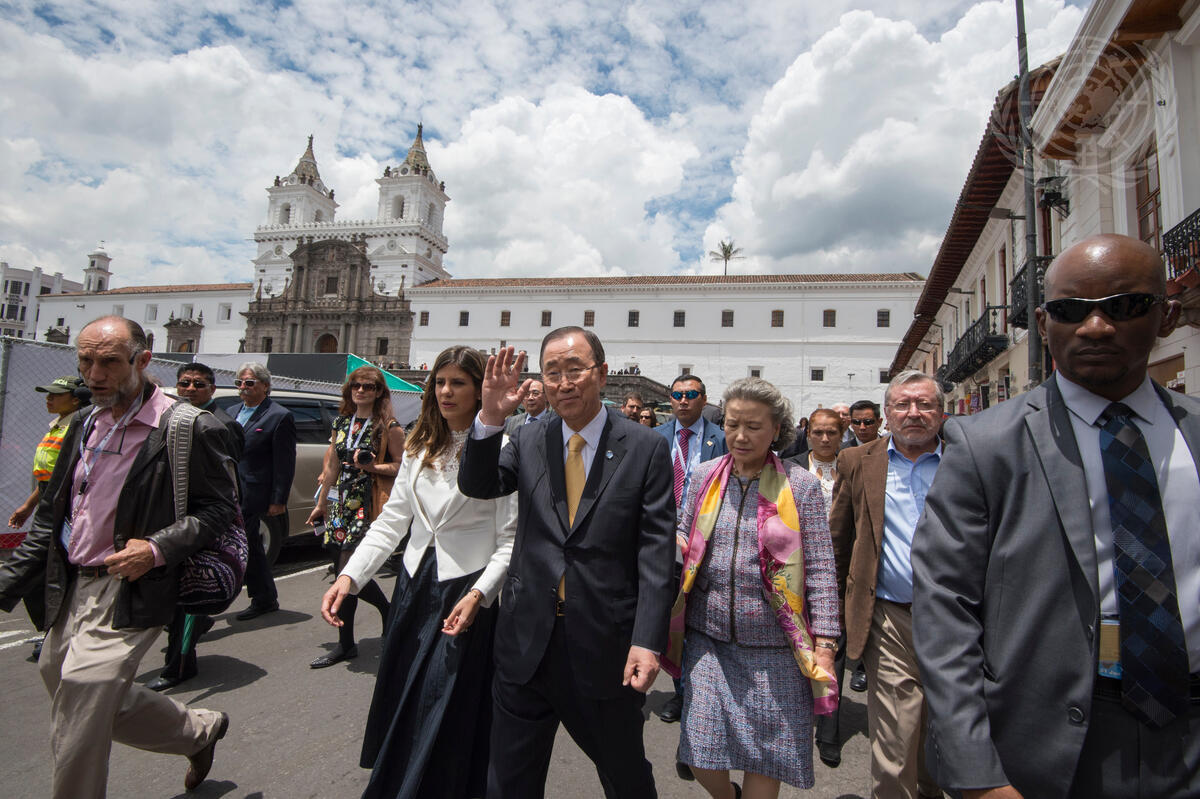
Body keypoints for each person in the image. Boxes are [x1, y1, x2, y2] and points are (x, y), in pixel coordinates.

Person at [913, 234, 1200, 799]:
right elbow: (945, 609)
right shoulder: (985, 445)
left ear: (1165, 316)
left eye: (1124, 306)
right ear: (1044, 324)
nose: (1096, 328)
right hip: (1051, 744)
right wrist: (977, 773)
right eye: (1071, 311)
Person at [0, 316, 234, 798]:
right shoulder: (84, 422)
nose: (94, 374)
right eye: (85, 361)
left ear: (142, 360)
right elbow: (52, 513)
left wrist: (157, 547)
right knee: (67, 683)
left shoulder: (188, 426)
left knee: (84, 693)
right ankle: (197, 731)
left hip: (133, 585)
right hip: (72, 582)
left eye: (108, 362)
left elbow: (220, 508)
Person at [458, 330, 675, 799]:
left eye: (574, 369)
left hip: (605, 645)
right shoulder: (527, 437)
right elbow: (480, 485)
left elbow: (656, 551)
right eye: (552, 372)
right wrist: (490, 417)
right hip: (525, 642)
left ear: (602, 373)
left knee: (625, 776)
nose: (563, 382)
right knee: (508, 782)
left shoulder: (645, 447)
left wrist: (647, 639)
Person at [321, 346, 515, 798]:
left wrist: (481, 593)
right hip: (413, 583)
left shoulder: (505, 450)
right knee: (406, 692)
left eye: (458, 382)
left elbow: (510, 539)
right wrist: (351, 577)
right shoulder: (418, 443)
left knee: (445, 701)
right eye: (440, 382)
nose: (446, 391)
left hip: (466, 590)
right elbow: (393, 521)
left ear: (480, 389)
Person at [665, 378, 839, 799]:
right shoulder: (705, 476)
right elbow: (684, 534)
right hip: (708, 642)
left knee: (766, 757)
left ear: (776, 429)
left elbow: (820, 567)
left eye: (754, 426)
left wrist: (826, 644)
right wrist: (671, 543)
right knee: (700, 753)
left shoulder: (801, 486)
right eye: (732, 424)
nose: (740, 436)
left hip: (776, 649)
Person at [829, 370, 944, 799]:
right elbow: (839, 538)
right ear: (887, 414)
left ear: (941, 412)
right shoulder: (858, 461)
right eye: (903, 405)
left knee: (941, 732)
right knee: (896, 736)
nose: (914, 413)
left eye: (925, 404)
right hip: (889, 617)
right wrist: (829, 615)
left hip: (957, 620)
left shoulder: (966, 458)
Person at [147, 362, 246, 691]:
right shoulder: (170, 419)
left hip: (203, 521)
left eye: (198, 384)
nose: (190, 389)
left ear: (212, 389)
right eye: (184, 383)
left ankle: (180, 665)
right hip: (170, 517)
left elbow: (229, 481)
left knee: (188, 597)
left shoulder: (222, 424)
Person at [306, 366, 402, 668]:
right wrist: (321, 503)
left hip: (366, 505)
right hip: (340, 504)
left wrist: (372, 467)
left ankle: (346, 644)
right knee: (344, 570)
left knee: (345, 571)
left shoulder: (388, 427)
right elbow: (332, 466)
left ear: (379, 392)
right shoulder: (341, 422)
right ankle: (387, 610)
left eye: (368, 386)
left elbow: (401, 466)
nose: (361, 391)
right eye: (356, 386)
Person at [657, 374, 728, 727]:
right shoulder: (655, 438)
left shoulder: (722, 440)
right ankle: (681, 690)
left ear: (704, 399)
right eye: (677, 394)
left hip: (706, 539)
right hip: (662, 538)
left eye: (691, 394)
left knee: (700, 618)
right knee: (671, 617)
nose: (683, 400)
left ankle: (703, 691)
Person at [785, 408, 852, 769]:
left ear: (842, 434)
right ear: (807, 433)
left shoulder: (853, 467)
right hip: (795, 569)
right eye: (818, 432)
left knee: (831, 647)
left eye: (832, 433)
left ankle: (828, 732)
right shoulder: (789, 467)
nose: (825, 439)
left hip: (838, 570)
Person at [8, 376, 92, 662]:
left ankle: (58, 632)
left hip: (65, 507)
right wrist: (28, 505)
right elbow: (47, 478)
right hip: (48, 501)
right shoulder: (57, 425)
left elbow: (70, 476)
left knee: (46, 571)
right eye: (48, 394)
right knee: (39, 574)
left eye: (56, 395)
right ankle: (51, 630)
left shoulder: (80, 427)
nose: (49, 399)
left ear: (76, 399)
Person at [229, 362, 297, 620]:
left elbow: (284, 462)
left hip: (254, 491)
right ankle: (265, 596)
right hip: (229, 488)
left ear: (265, 386)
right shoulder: (232, 412)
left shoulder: (278, 416)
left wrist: (278, 499)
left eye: (249, 383)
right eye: (239, 383)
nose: (243, 388)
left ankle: (261, 597)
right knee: (251, 544)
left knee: (246, 542)